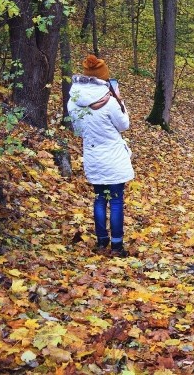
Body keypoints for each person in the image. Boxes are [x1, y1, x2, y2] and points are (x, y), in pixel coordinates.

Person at [67, 54, 134, 257]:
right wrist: (121, 102)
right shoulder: (110, 102)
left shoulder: (73, 102)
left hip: (93, 157)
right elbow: (124, 126)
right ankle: (116, 245)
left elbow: (78, 131)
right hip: (113, 158)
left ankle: (101, 241)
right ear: (103, 79)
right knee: (115, 201)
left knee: (99, 199)